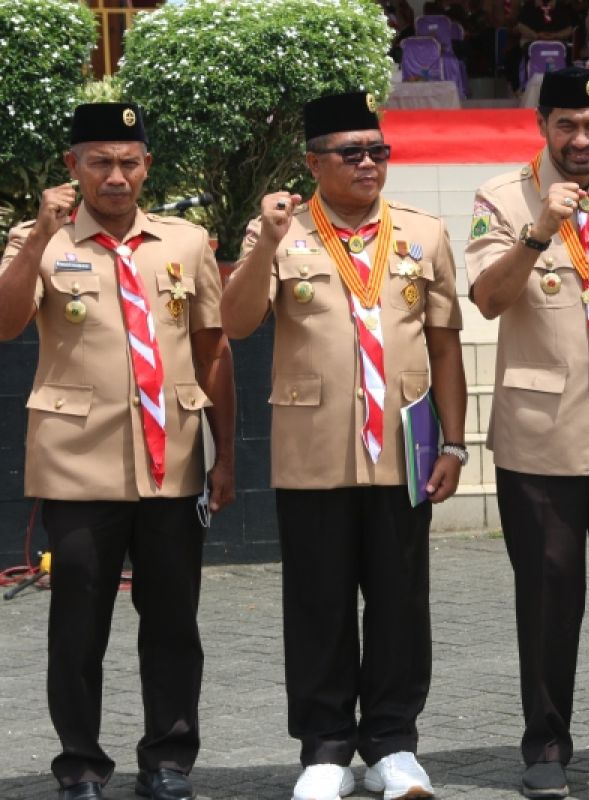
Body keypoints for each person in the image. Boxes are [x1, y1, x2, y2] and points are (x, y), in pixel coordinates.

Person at [220, 91, 467, 800]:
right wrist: (264, 243)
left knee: (399, 603)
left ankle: (394, 745)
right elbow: (237, 325)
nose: (368, 164)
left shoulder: (423, 233)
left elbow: (445, 345)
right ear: (312, 162)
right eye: (351, 153)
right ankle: (325, 749)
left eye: (377, 151)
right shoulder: (278, 232)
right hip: (313, 449)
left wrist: (454, 443)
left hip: (404, 449)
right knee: (319, 603)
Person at [0, 103, 235, 800]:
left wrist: (226, 459)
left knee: (172, 623)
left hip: (175, 460)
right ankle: (80, 765)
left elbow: (213, 351)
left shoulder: (186, 242)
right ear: (72, 167)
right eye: (99, 161)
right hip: (78, 463)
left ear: (147, 168)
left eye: (129, 162)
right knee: (77, 625)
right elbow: (7, 322)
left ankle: (168, 760)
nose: (115, 176)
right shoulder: (37, 237)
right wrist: (41, 233)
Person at [464, 67, 589, 798]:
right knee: (550, 595)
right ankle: (546, 745)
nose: (581, 140)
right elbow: (488, 299)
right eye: (566, 126)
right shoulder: (501, 195)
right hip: (542, 431)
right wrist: (538, 229)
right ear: (542, 126)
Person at [508, 0, 578, 92]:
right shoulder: (529, 5)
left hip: (556, 41)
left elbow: (569, 29)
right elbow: (521, 25)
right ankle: (523, 87)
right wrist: (536, 35)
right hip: (532, 40)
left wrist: (556, 35)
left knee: (568, 54)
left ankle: (567, 86)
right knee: (517, 55)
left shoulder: (561, 6)